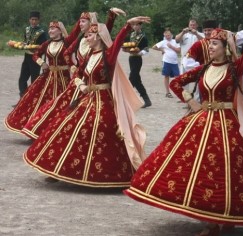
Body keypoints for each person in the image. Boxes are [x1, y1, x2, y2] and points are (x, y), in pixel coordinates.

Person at [124, 11, 243, 236]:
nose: (210, 46)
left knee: (225, 171)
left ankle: (225, 216)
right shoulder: (204, 68)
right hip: (202, 120)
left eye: (214, 43)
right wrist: (191, 102)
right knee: (198, 170)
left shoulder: (235, 68)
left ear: (225, 47)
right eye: (209, 43)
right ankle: (211, 219)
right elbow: (176, 83)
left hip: (227, 125)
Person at [23, 16, 150, 187]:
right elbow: (77, 74)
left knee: (101, 129)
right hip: (87, 99)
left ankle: (115, 174)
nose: (87, 38)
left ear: (98, 37)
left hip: (104, 102)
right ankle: (57, 169)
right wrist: (81, 84)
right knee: (64, 126)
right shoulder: (90, 55)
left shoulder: (108, 56)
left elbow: (118, 42)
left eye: (90, 36)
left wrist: (127, 26)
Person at [22, 9, 125, 139]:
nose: (80, 24)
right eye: (79, 21)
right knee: (60, 106)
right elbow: (67, 52)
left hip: (94, 81)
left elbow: (106, 30)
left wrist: (111, 16)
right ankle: (46, 133)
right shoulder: (81, 38)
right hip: (79, 79)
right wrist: (72, 66)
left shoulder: (95, 36)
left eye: (83, 21)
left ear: (91, 23)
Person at [4, 20, 81, 133]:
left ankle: (59, 130)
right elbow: (35, 54)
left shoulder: (67, 42)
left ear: (60, 31)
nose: (50, 31)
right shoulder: (47, 43)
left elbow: (76, 32)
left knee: (63, 103)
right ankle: (40, 130)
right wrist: (42, 63)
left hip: (63, 79)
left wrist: (83, 20)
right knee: (41, 102)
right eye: (49, 29)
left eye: (53, 29)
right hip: (49, 78)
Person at [18, 11, 48, 98]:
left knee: (34, 80)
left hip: (36, 58)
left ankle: (33, 100)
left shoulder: (42, 32)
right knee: (22, 79)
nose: (34, 21)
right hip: (27, 57)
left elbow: (44, 46)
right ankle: (22, 98)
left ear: (39, 20)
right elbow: (25, 41)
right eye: (32, 19)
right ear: (29, 20)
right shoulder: (27, 29)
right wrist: (22, 44)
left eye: (35, 20)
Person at [123, 22, 152, 108]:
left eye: (137, 25)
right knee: (136, 80)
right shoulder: (132, 34)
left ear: (140, 26)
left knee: (132, 78)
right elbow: (128, 44)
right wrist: (126, 49)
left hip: (137, 58)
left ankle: (125, 99)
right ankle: (147, 100)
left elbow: (146, 48)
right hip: (131, 58)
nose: (135, 26)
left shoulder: (143, 36)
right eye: (134, 25)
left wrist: (140, 53)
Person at [152, 29, 180, 98]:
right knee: (166, 76)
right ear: (164, 36)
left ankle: (178, 92)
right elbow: (154, 47)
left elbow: (179, 51)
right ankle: (167, 92)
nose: (168, 37)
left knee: (177, 77)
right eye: (166, 36)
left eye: (169, 35)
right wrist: (161, 49)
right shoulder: (163, 42)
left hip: (175, 62)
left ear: (171, 35)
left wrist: (171, 47)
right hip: (166, 61)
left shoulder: (175, 41)